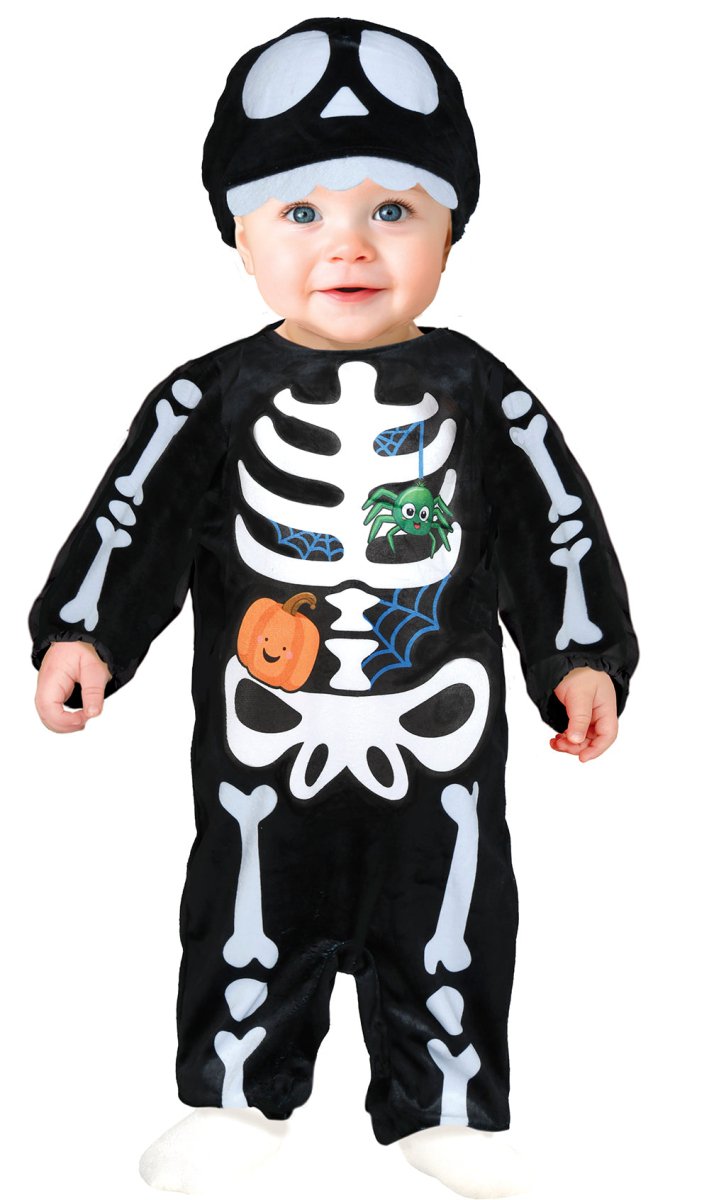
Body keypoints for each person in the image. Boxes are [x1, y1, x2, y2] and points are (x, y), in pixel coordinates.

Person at [28, 16, 639, 1199]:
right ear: (239, 235)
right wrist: (84, 632)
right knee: (246, 895)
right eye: (300, 212)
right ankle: (237, 1097)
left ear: (451, 230)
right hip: (265, 729)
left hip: (439, 727)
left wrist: (580, 655)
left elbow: (555, 524)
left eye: (393, 210)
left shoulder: (482, 392)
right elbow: (131, 519)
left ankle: (444, 1105)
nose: (347, 246)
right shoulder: (207, 396)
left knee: (454, 903)